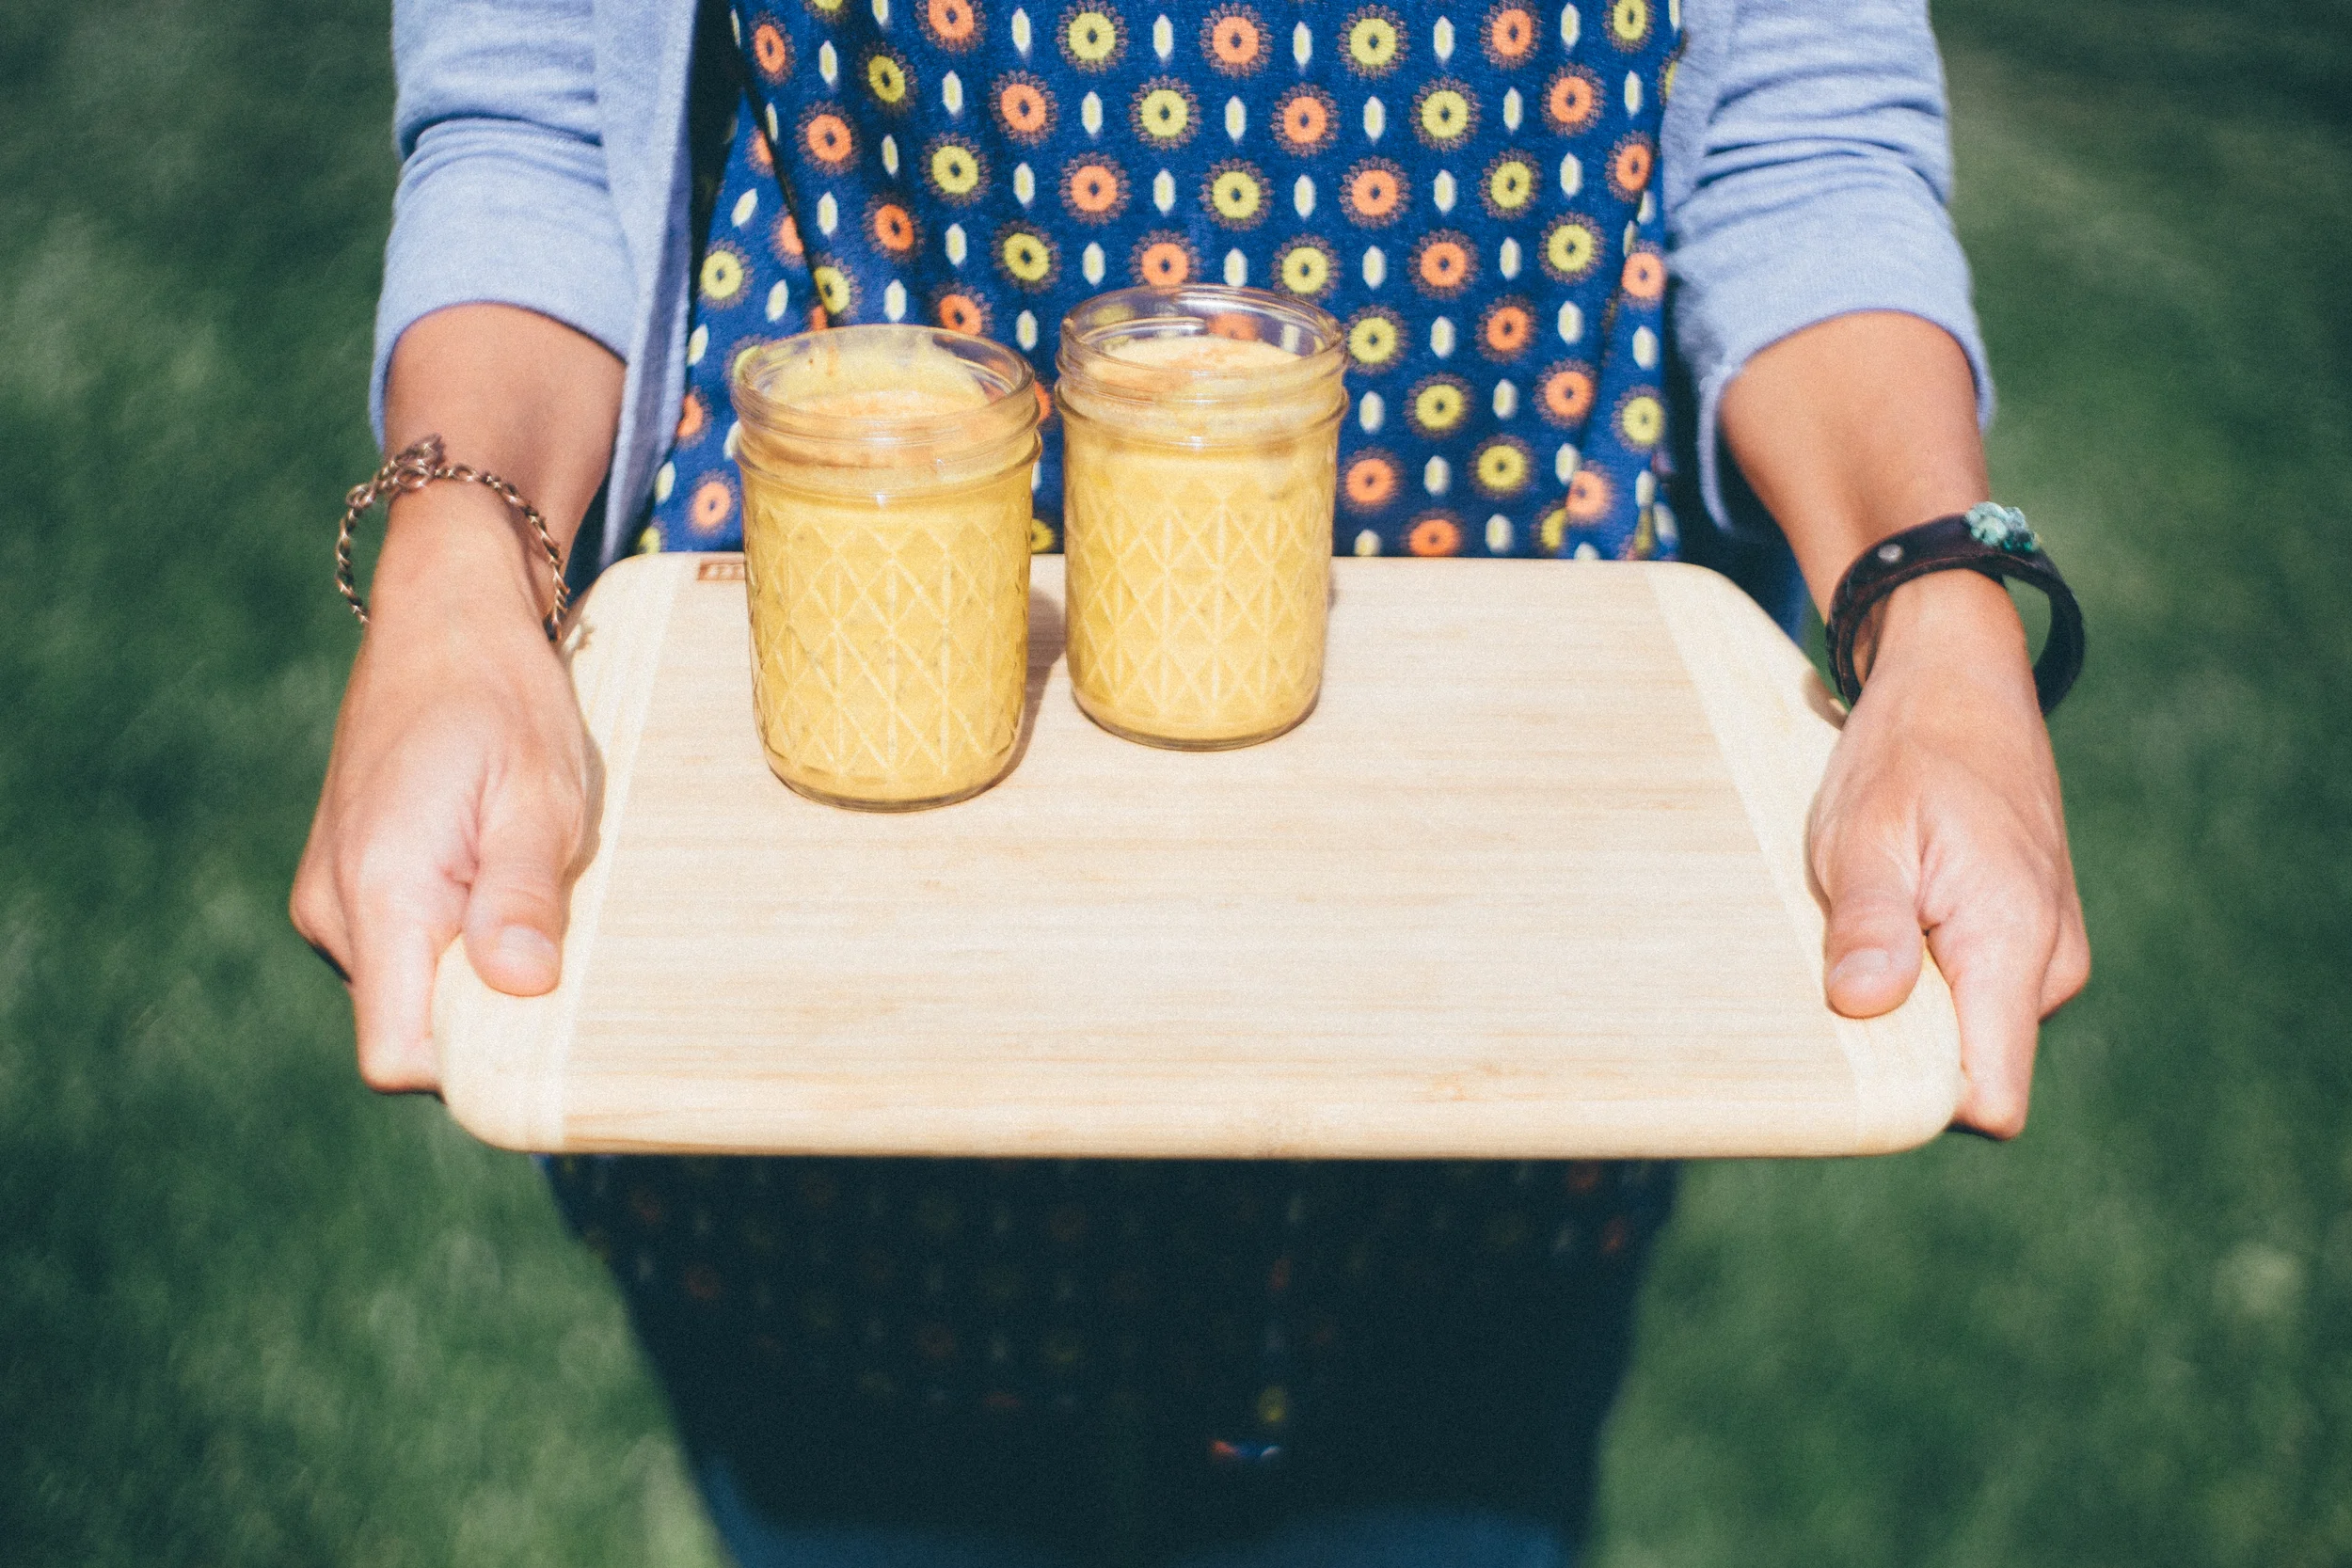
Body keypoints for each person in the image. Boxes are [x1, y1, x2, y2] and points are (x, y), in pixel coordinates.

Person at [293, 0, 2090, 1560]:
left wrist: (1934, 605)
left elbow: (1803, 133)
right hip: (819, 1004)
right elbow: (534, 102)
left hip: (1505, 967)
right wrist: (459, 576)